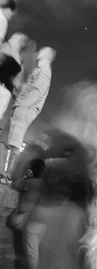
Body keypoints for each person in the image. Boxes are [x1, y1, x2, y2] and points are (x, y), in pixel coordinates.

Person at [0, 47, 54, 181]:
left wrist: (22, 105)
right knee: (4, 139)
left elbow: (36, 91)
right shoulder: (39, 69)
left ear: (47, 55)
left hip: (25, 109)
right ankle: (2, 172)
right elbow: (29, 89)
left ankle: (9, 176)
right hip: (21, 107)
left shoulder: (44, 70)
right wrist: (18, 88)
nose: (40, 52)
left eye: (43, 51)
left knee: (14, 143)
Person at [0, 33, 28, 120]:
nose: (10, 39)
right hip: (6, 91)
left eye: (13, 38)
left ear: (20, 43)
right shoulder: (21, 61)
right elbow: (18, 83)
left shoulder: (6, 48)